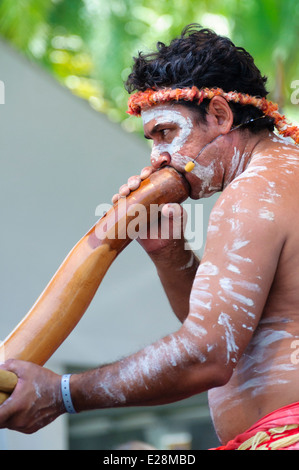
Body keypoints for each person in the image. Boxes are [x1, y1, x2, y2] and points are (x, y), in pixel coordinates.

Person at [1, 24, 299, 450]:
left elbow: (207, 357)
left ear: (220, 115)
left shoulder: (255, 191)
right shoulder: (282, 175)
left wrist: (62, 393)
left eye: (165, 133)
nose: (157, 157)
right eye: (151, 140)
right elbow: (233, 336)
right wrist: (168, 253)